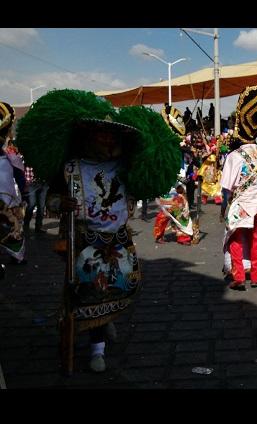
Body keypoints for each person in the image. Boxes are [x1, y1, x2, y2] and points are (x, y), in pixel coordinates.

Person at [16, 89, 182, 373]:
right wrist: (62, 203)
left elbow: (142, 186)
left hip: (117, 239)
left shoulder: (124, 167)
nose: (107, 139)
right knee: (90, 291)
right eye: (100, 133)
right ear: (89, 136)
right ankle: (97, 347)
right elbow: (53, 199)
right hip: (84, 242)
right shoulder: (71, 167)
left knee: (119, 286)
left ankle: (104, 323)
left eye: (111, 135)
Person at [220, 86, 257, 290]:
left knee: (235, 238)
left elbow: (226, 188)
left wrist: (223, 208)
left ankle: (239, 277)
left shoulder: (234, 157)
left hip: (241, 204)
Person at [0, 101, 27, 270]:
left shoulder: (10, 156)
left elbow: (20, 176)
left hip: (8, 200)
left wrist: (23, 192)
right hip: (8, 200)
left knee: (14, 229)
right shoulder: (9, 156)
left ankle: (17, 256)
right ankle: (17, 257)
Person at [22, 165, 49, 234]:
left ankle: (38, 227)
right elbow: (28, 167)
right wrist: (27, 182)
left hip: (44, 183)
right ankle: (26, 224)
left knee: (41, 206)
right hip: (32, 183)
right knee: (32, 204)